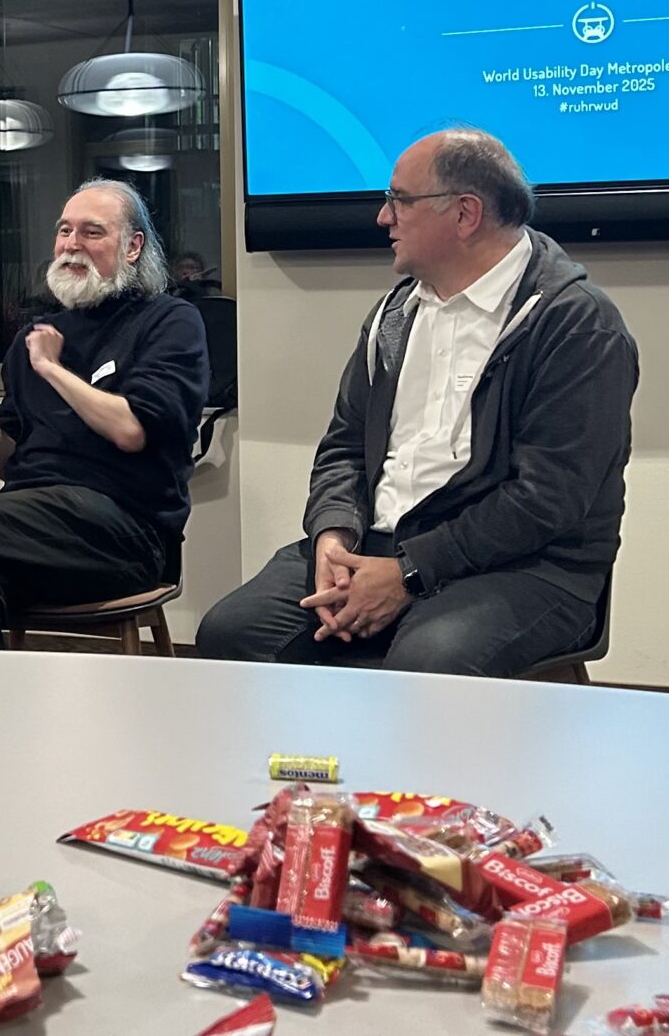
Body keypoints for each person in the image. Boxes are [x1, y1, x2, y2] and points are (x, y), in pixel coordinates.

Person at [194, 129, 638, 676]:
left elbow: (547, 499)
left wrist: (409, 572)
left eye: (400, 200)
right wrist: (333, 535)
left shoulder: (577, 325)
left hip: (527, 565)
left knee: (427, 665)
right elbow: (344, 448)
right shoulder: (393, 316)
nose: (383, 217)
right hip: (376, 545)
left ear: (465, 213)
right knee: (230, 633)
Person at [0, 179, 207, 649]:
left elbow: (131, 430)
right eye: (64, 231)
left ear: (133, 247)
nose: (71, 244)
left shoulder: (168, 321)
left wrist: (52, 368)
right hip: (36, 528)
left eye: (91, 232)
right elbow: (10, 465)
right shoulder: (37, 334)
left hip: (126, 533)